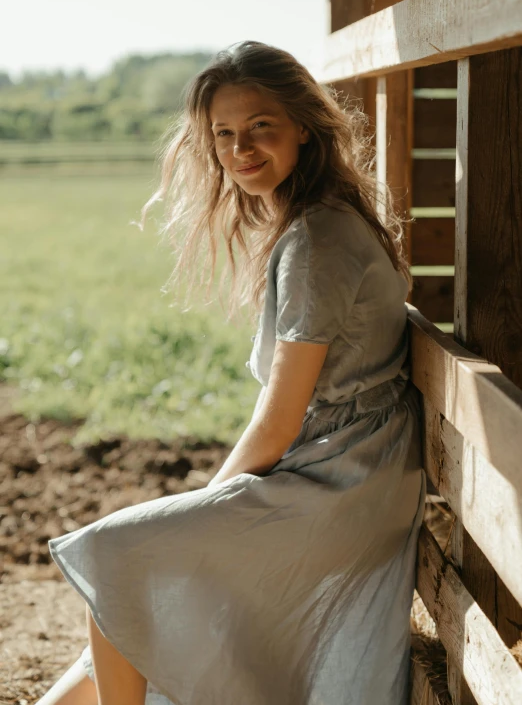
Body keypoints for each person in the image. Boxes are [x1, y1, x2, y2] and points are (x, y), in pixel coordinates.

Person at [40, 40, 426, 705]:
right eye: (224, 134)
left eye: (260, 127)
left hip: (342, 487)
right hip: (348, 472)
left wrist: (203, 504)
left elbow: (277, 424)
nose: (240, 147)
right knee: (127, 617)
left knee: (123, 557)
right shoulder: (314, 222)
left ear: (303, 126)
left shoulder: (317, 241)